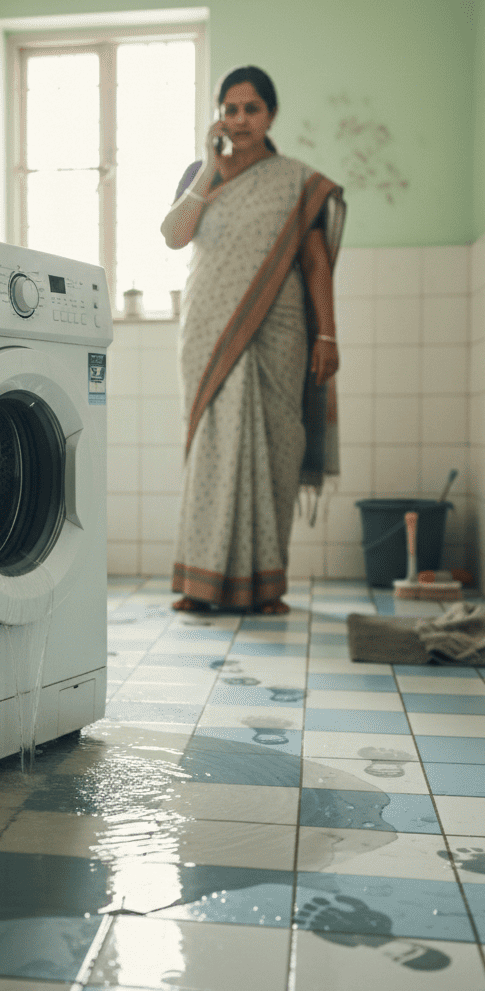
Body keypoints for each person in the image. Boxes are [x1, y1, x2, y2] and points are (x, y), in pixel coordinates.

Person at [160, 66, 345, 615]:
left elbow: (315, 263)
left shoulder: (295, 180)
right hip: (208, 329)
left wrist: (328, 334)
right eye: (231, 109)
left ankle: (266, 586)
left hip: (279, 333)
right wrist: (208, 167)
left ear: (271, 114)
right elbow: (174, 236)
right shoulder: (202, 173)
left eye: (252, 109)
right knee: (211, 452)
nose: (240, 120)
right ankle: (202, 582)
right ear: (220, 114)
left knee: (275, 452)